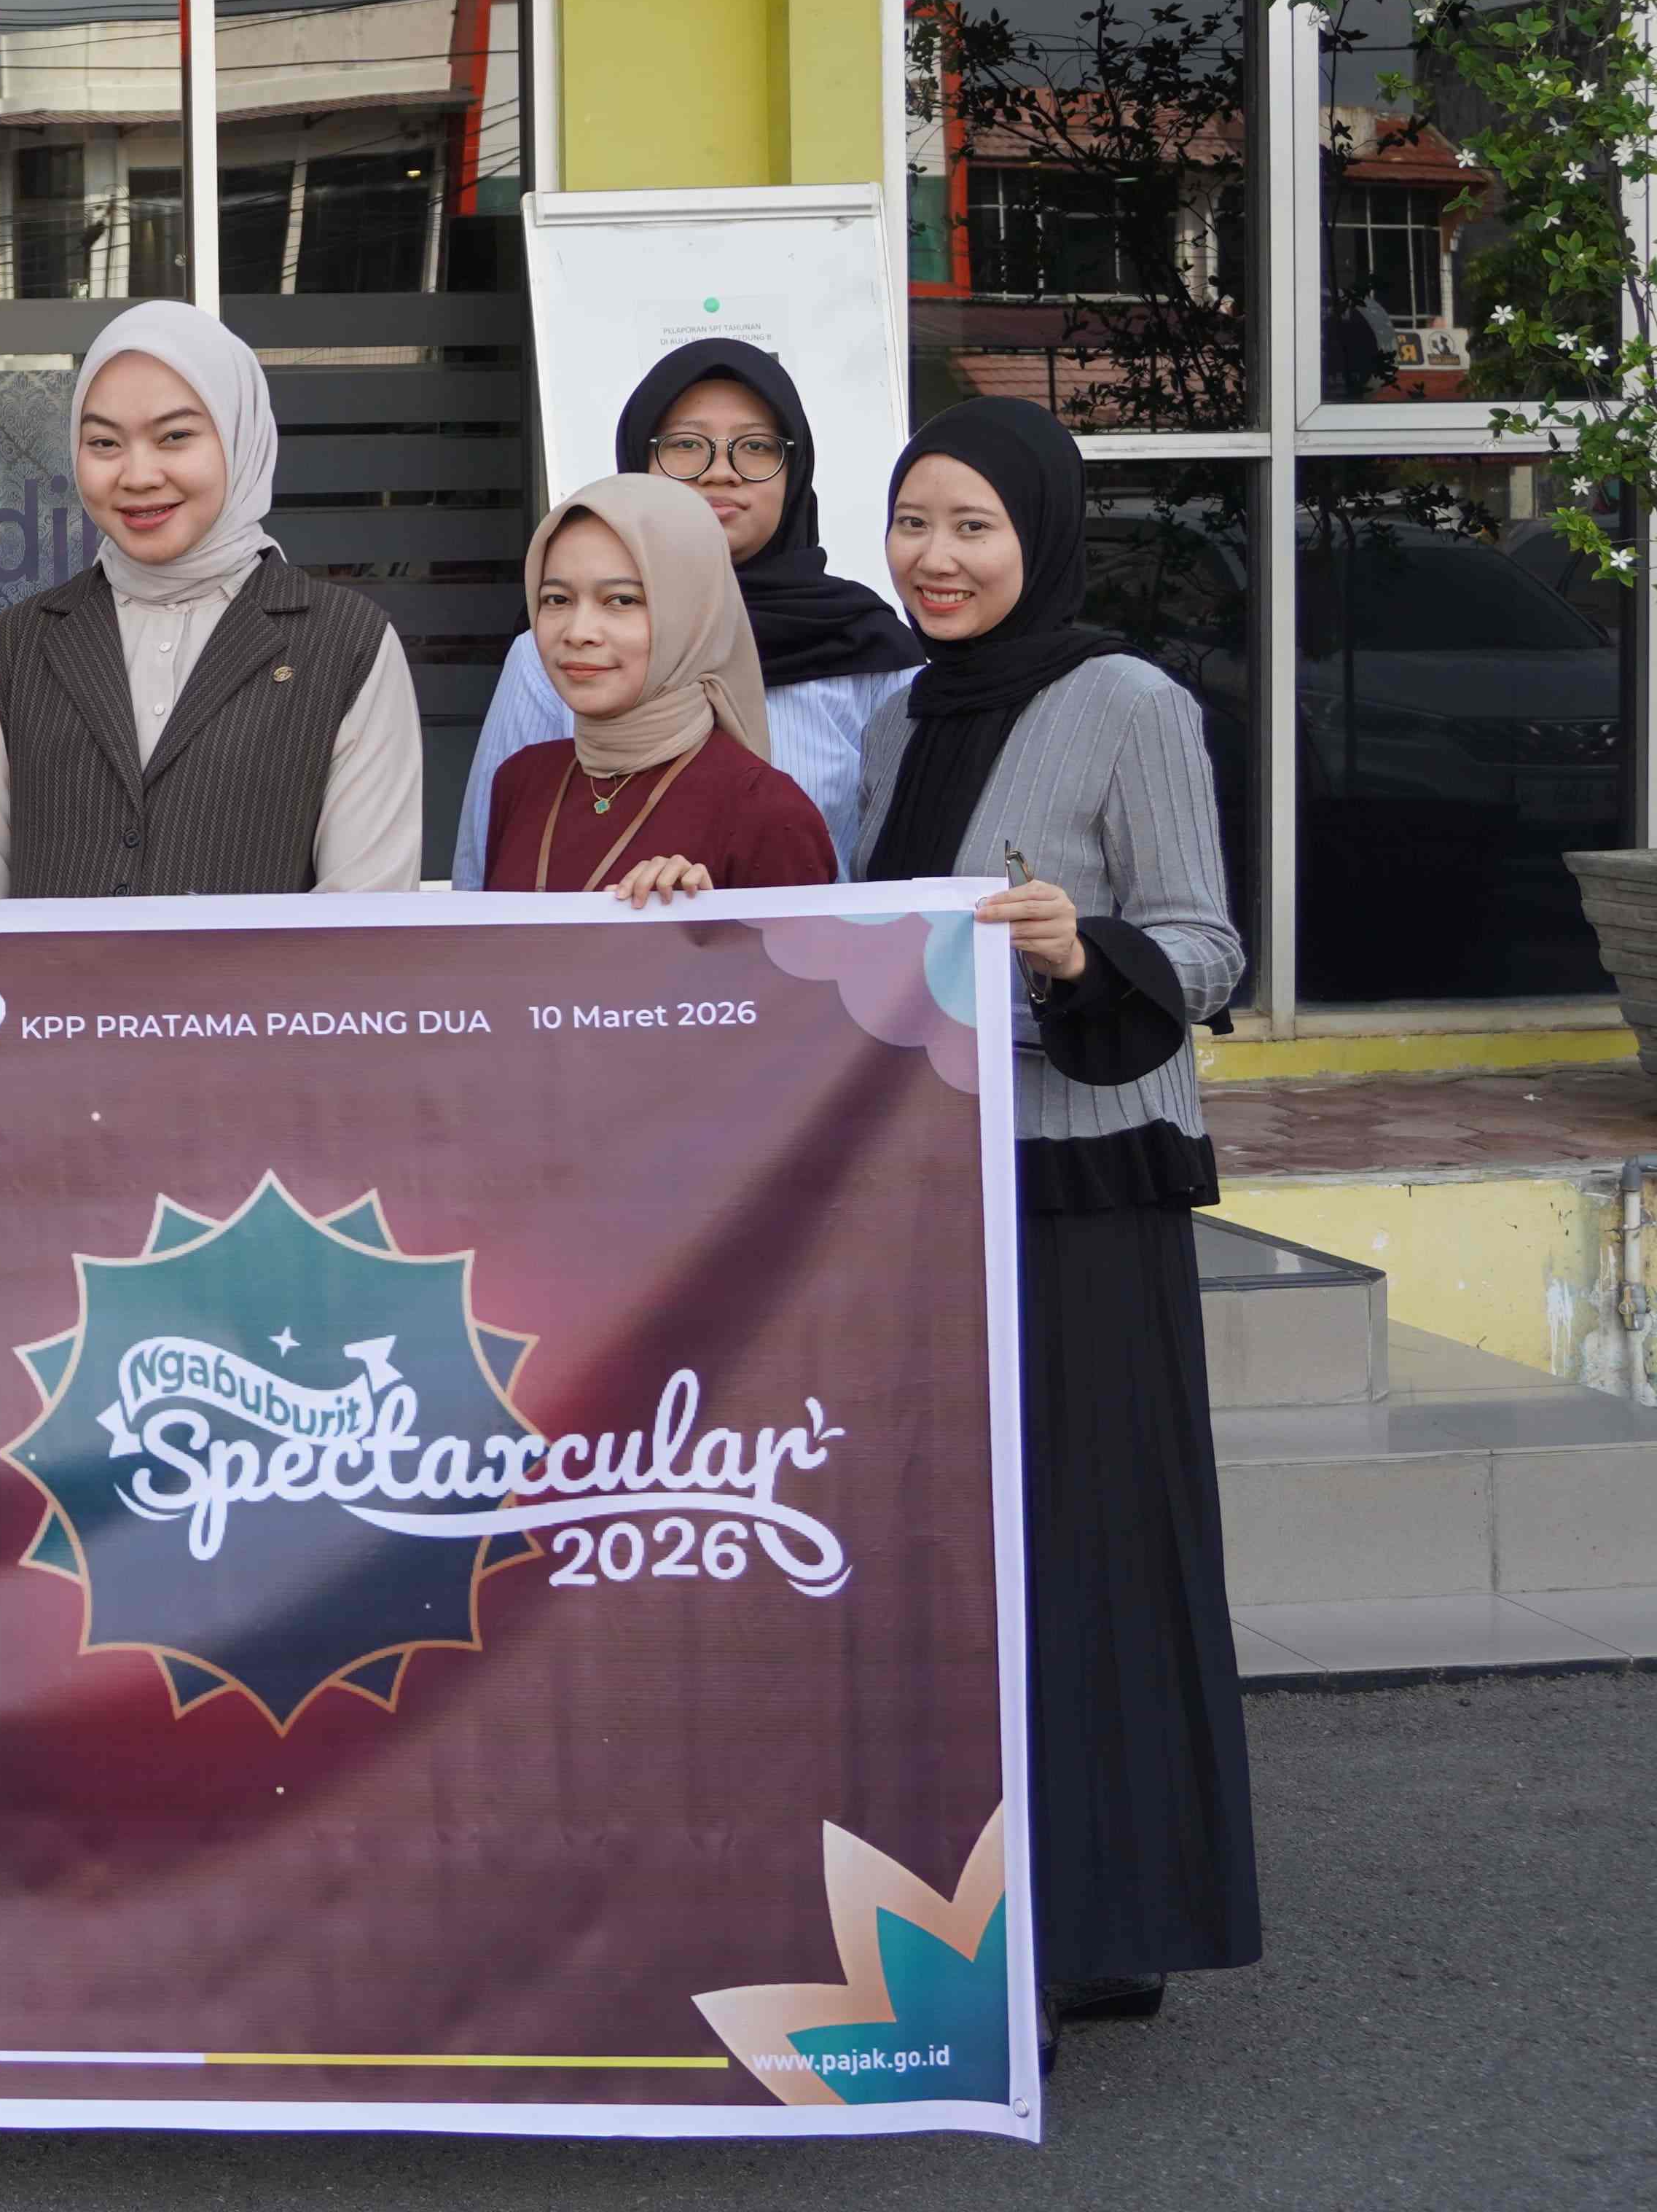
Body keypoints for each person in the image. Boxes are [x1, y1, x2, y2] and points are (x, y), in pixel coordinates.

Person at [858, 394, 1258, 2048]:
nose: (936, 557)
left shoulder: (1128, 703)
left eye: (973, 526)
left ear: (1042, 535)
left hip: (1087, 1188)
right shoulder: (901, 716)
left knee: (1095, 1550)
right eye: (915, 522)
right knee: (969, 1562)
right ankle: (987, 1906)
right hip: (932, 1191)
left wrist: (1079, 950)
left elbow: (1210, 950)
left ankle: (1113, 1917)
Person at [0, 300, 423, 898]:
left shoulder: (347, 645)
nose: (138, 475)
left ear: (240, 437)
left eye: (175, 436)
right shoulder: (18, 647)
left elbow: (365, 919)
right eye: (104, 442)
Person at [451, 339, 922, 885]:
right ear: (638, 459)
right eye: (685, 444)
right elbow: (487, 877)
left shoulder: (869, 650)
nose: (719, 472)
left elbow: (900, 882)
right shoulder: (555, 649)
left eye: (756, 446)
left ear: (795, 473)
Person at [471, 473, 834, 902]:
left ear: (691, 616)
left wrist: (696, 924)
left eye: (622, 600)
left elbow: (799, 948)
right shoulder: (523, 780)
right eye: (557, 600)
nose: (578, 632)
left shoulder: (766, 810)